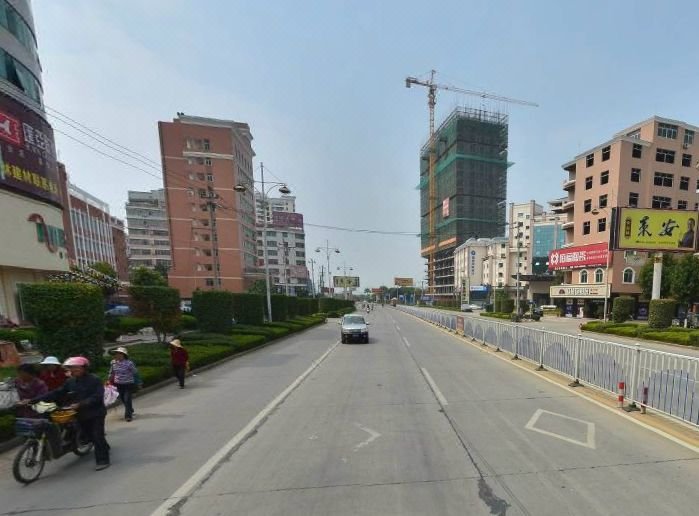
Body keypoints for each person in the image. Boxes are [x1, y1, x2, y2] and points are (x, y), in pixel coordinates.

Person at [22, 356, 110, 471]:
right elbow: (56, 393)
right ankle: (104, 446)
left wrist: (81, 404)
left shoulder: (94, 380)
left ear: (84, 368)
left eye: (76, 367)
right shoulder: (70, 381)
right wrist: (33, 400)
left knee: (97, 435)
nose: (73, 370)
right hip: (79, 414)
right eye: (71, 368)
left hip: (96, 413)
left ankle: (103, 460)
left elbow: (97, 396)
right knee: (89, 436)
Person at [108, 347, 136, 422]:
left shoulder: (129, 363)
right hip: (118, 384)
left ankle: (128, 416)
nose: (117, 355)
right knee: (123, 399)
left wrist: (128, 375)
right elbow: (111, 372)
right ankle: (130, 409)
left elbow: (134, 372)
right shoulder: (113, 362)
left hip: (128, 383)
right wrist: (109, 379)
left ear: (123, 355)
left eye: (119, 354)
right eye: (116, 354)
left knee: (127, 399)